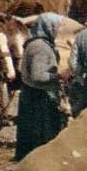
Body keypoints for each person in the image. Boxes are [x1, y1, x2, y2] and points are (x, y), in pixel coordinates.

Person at [14, 11, 65, 159]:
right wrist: (60, 75)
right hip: (39, 100)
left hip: (33, 97)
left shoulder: (39, 43)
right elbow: (38, 76)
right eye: (58, 26)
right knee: (40, 140)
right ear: (49, 26)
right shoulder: (40, 47)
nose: (60, 30)